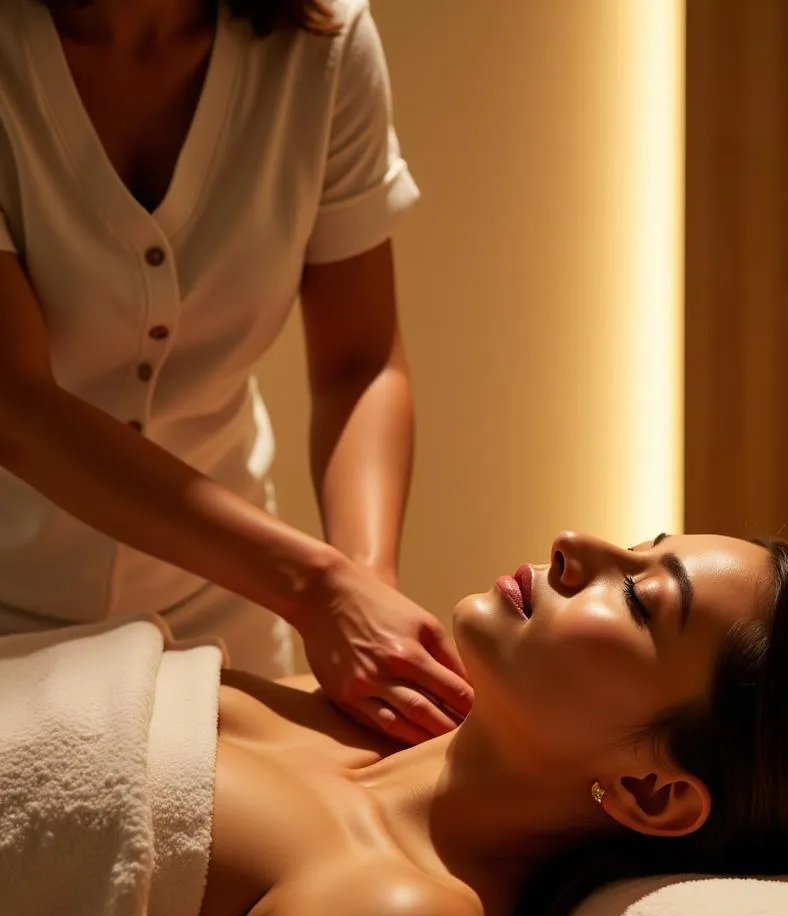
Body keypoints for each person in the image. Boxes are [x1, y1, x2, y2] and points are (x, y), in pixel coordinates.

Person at [159, 530, 788, 916]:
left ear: (652, 792)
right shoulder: (350, 703)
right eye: (639, 540)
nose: (574, 544)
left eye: (638, 597)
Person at [0, 0, 471, 744]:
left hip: (228, 622)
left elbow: (360, 363)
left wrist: (366, 581)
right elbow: (16, 406)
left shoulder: (323, 44)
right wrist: (318, 588)